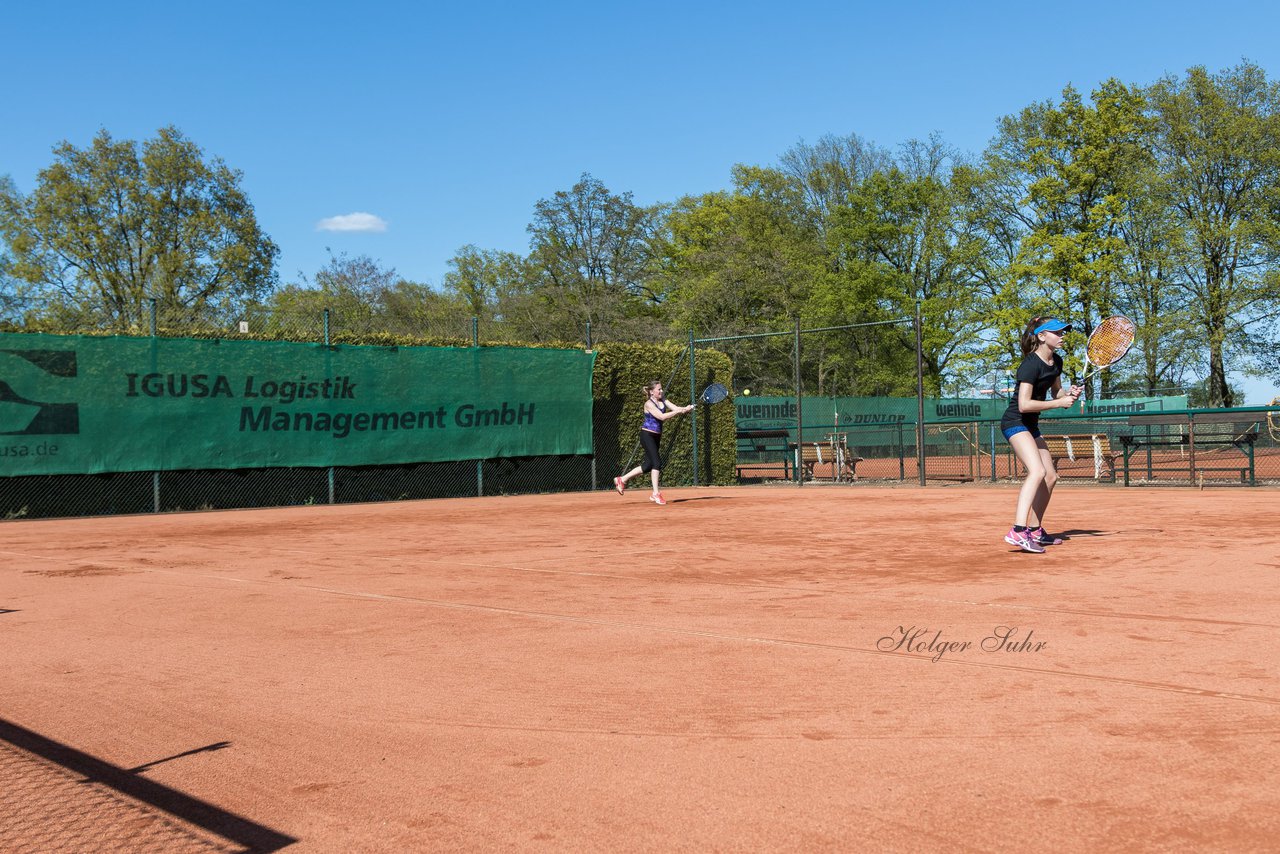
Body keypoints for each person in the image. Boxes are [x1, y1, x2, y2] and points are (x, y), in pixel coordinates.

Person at [1000, 317, 1082, 553]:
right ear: (1042, 336)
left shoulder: (1057, 361)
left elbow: (1057, 393)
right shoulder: (1030, 365)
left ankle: (1035, 530)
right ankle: (1017, 530)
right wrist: (1059, 404)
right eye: (1057, 332)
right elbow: (1024, 404)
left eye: (1063, 332)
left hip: (1031, 426)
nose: (1062, 335)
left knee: (1050, 477)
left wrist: (1068, 394)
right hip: (1015, 422)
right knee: (1037, 471)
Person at [613, 380, 694, 506]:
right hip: (647, 435)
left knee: (648, 465)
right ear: (652, 392)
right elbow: (661, 417)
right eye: (659, 389)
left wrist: (685, 409)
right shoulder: (648, 404)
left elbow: (676, 408)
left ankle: (622, 479)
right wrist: (678, 411)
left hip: (657, 436)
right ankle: (656, 493)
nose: (661, 391)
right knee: (657, 463)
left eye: (661, 389)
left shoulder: (663, 400)